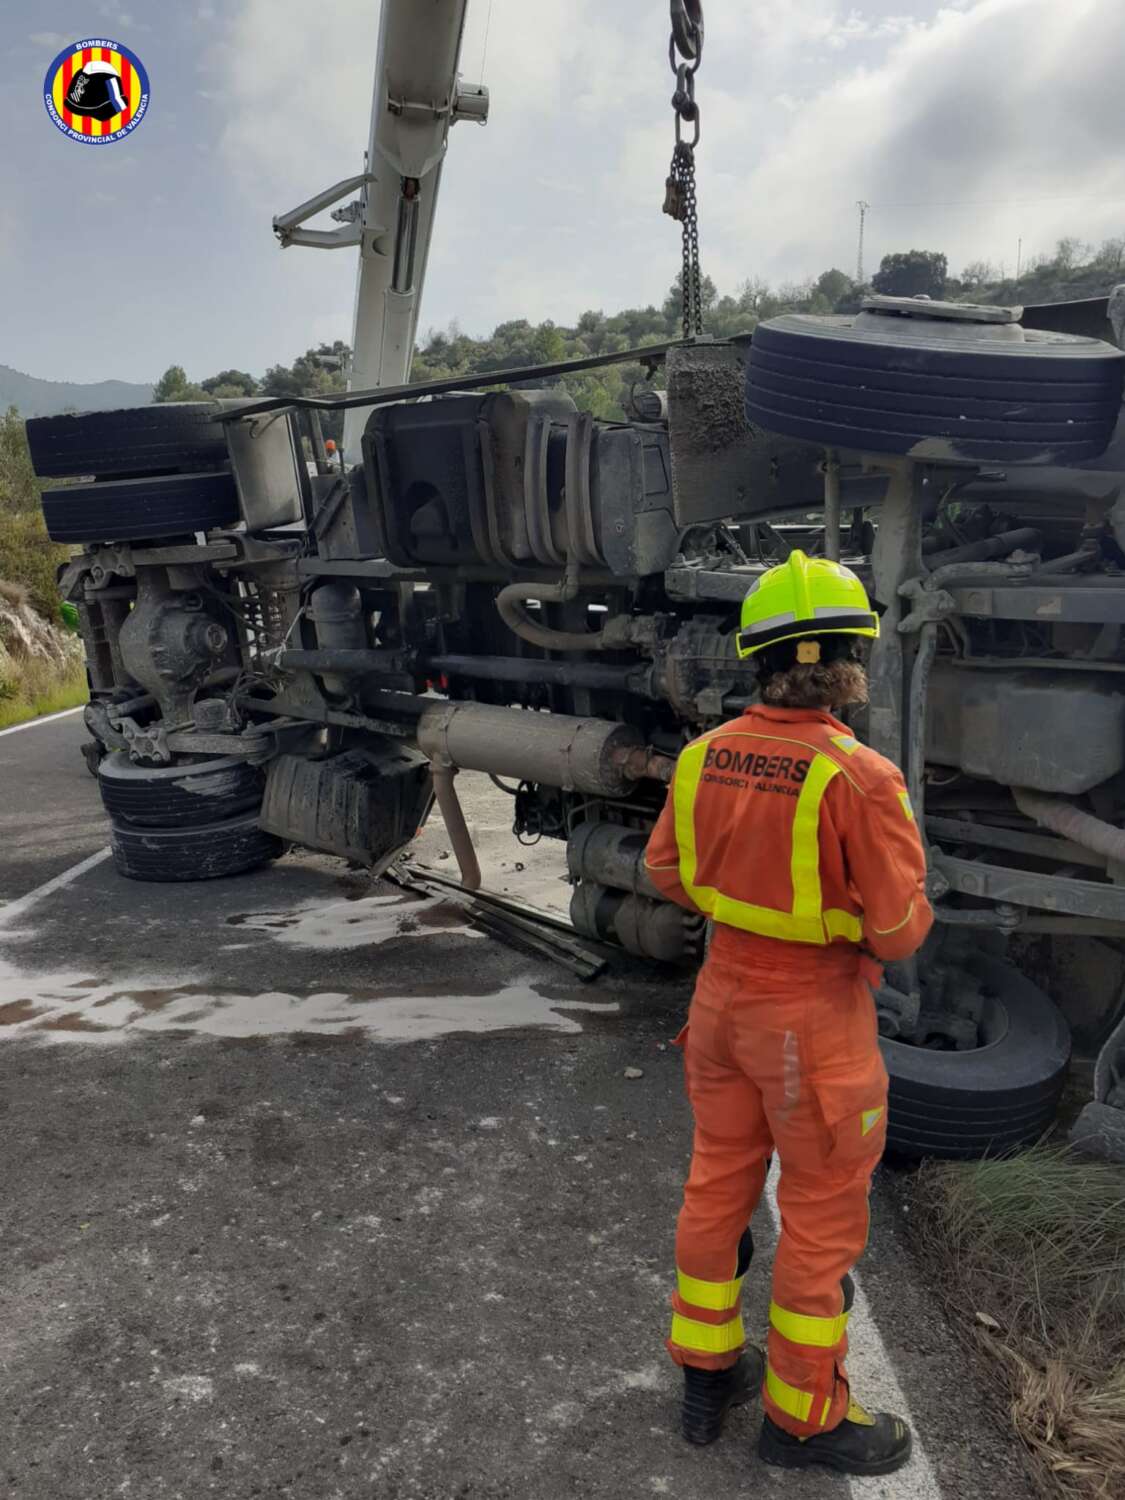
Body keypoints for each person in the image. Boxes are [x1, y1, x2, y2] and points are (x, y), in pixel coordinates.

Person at [643, 549, 932, 1477]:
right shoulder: (860, 776)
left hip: (720, 1006)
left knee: (716, 1183)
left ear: (754, 658)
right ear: (854, 659)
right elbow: (896, 933)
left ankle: (705, 1371)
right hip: (812, 1025)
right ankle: (804, 1420)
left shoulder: (701, 755)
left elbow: (664, 874)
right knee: (817, 1222)